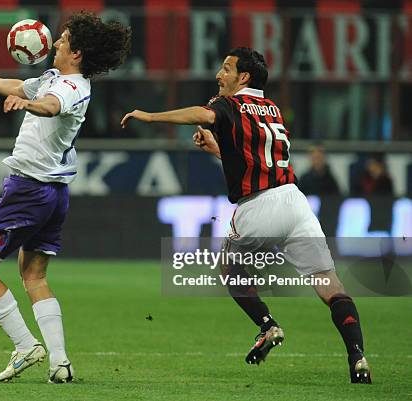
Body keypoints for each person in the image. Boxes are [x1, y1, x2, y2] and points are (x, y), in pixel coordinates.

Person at [121, 47, 371, 384]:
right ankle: (357, 357)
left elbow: (203, 114)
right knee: (331, 287)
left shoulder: (228, 104)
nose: (218, 75)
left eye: (226, 69)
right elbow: (255, 159)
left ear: (244, 77)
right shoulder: (273, 109)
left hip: (258, 207)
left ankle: (268, 326)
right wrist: (217, 148)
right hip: (295, 203)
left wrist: (150, 118)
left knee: (229, 266)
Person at [0, 12, 131, 383]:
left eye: (63, 39)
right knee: (34, 277)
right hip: (54, 192)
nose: (55, 43)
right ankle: (60, 363)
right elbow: (23, 88)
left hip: (28, 189)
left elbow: (50, 105)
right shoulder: (56, 77)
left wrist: (30, 106)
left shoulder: (74, 88)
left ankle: (25, 345)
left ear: (78, 52)